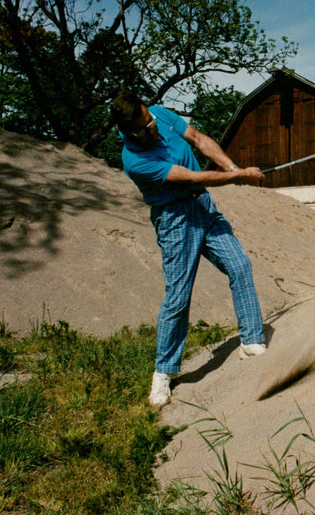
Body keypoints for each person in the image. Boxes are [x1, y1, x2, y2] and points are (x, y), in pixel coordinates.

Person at [110, 90, 267, 407]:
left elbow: (198, 138)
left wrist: (231, 166)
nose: (154, 126)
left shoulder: (158, 114)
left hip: (203, 207)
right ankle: (163, 374)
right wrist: (239, 179)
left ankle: (251, 341)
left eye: (151, 119)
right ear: (130, 132)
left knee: (240, 266)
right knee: (178, 297)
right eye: (146, 126)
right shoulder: (135, 161)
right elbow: (192, 176)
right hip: (175, 220)